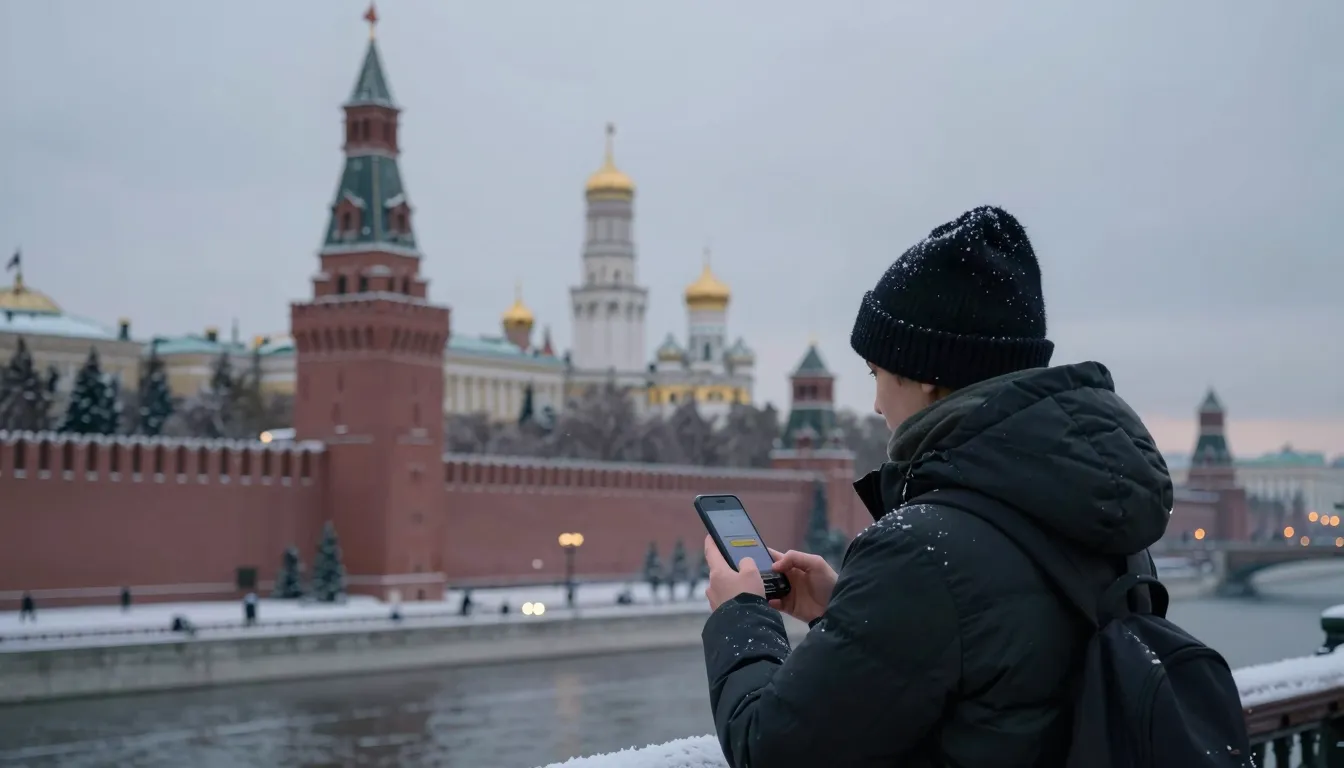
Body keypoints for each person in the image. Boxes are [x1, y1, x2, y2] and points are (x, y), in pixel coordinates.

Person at [701, 206, 1172, 767]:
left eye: (877, 374)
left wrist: (742, 616)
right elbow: (1005, 689)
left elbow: (772, 750)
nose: (875, 403)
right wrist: (849, 617)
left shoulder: (922, 552)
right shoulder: (1107, 521)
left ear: (926, 373)